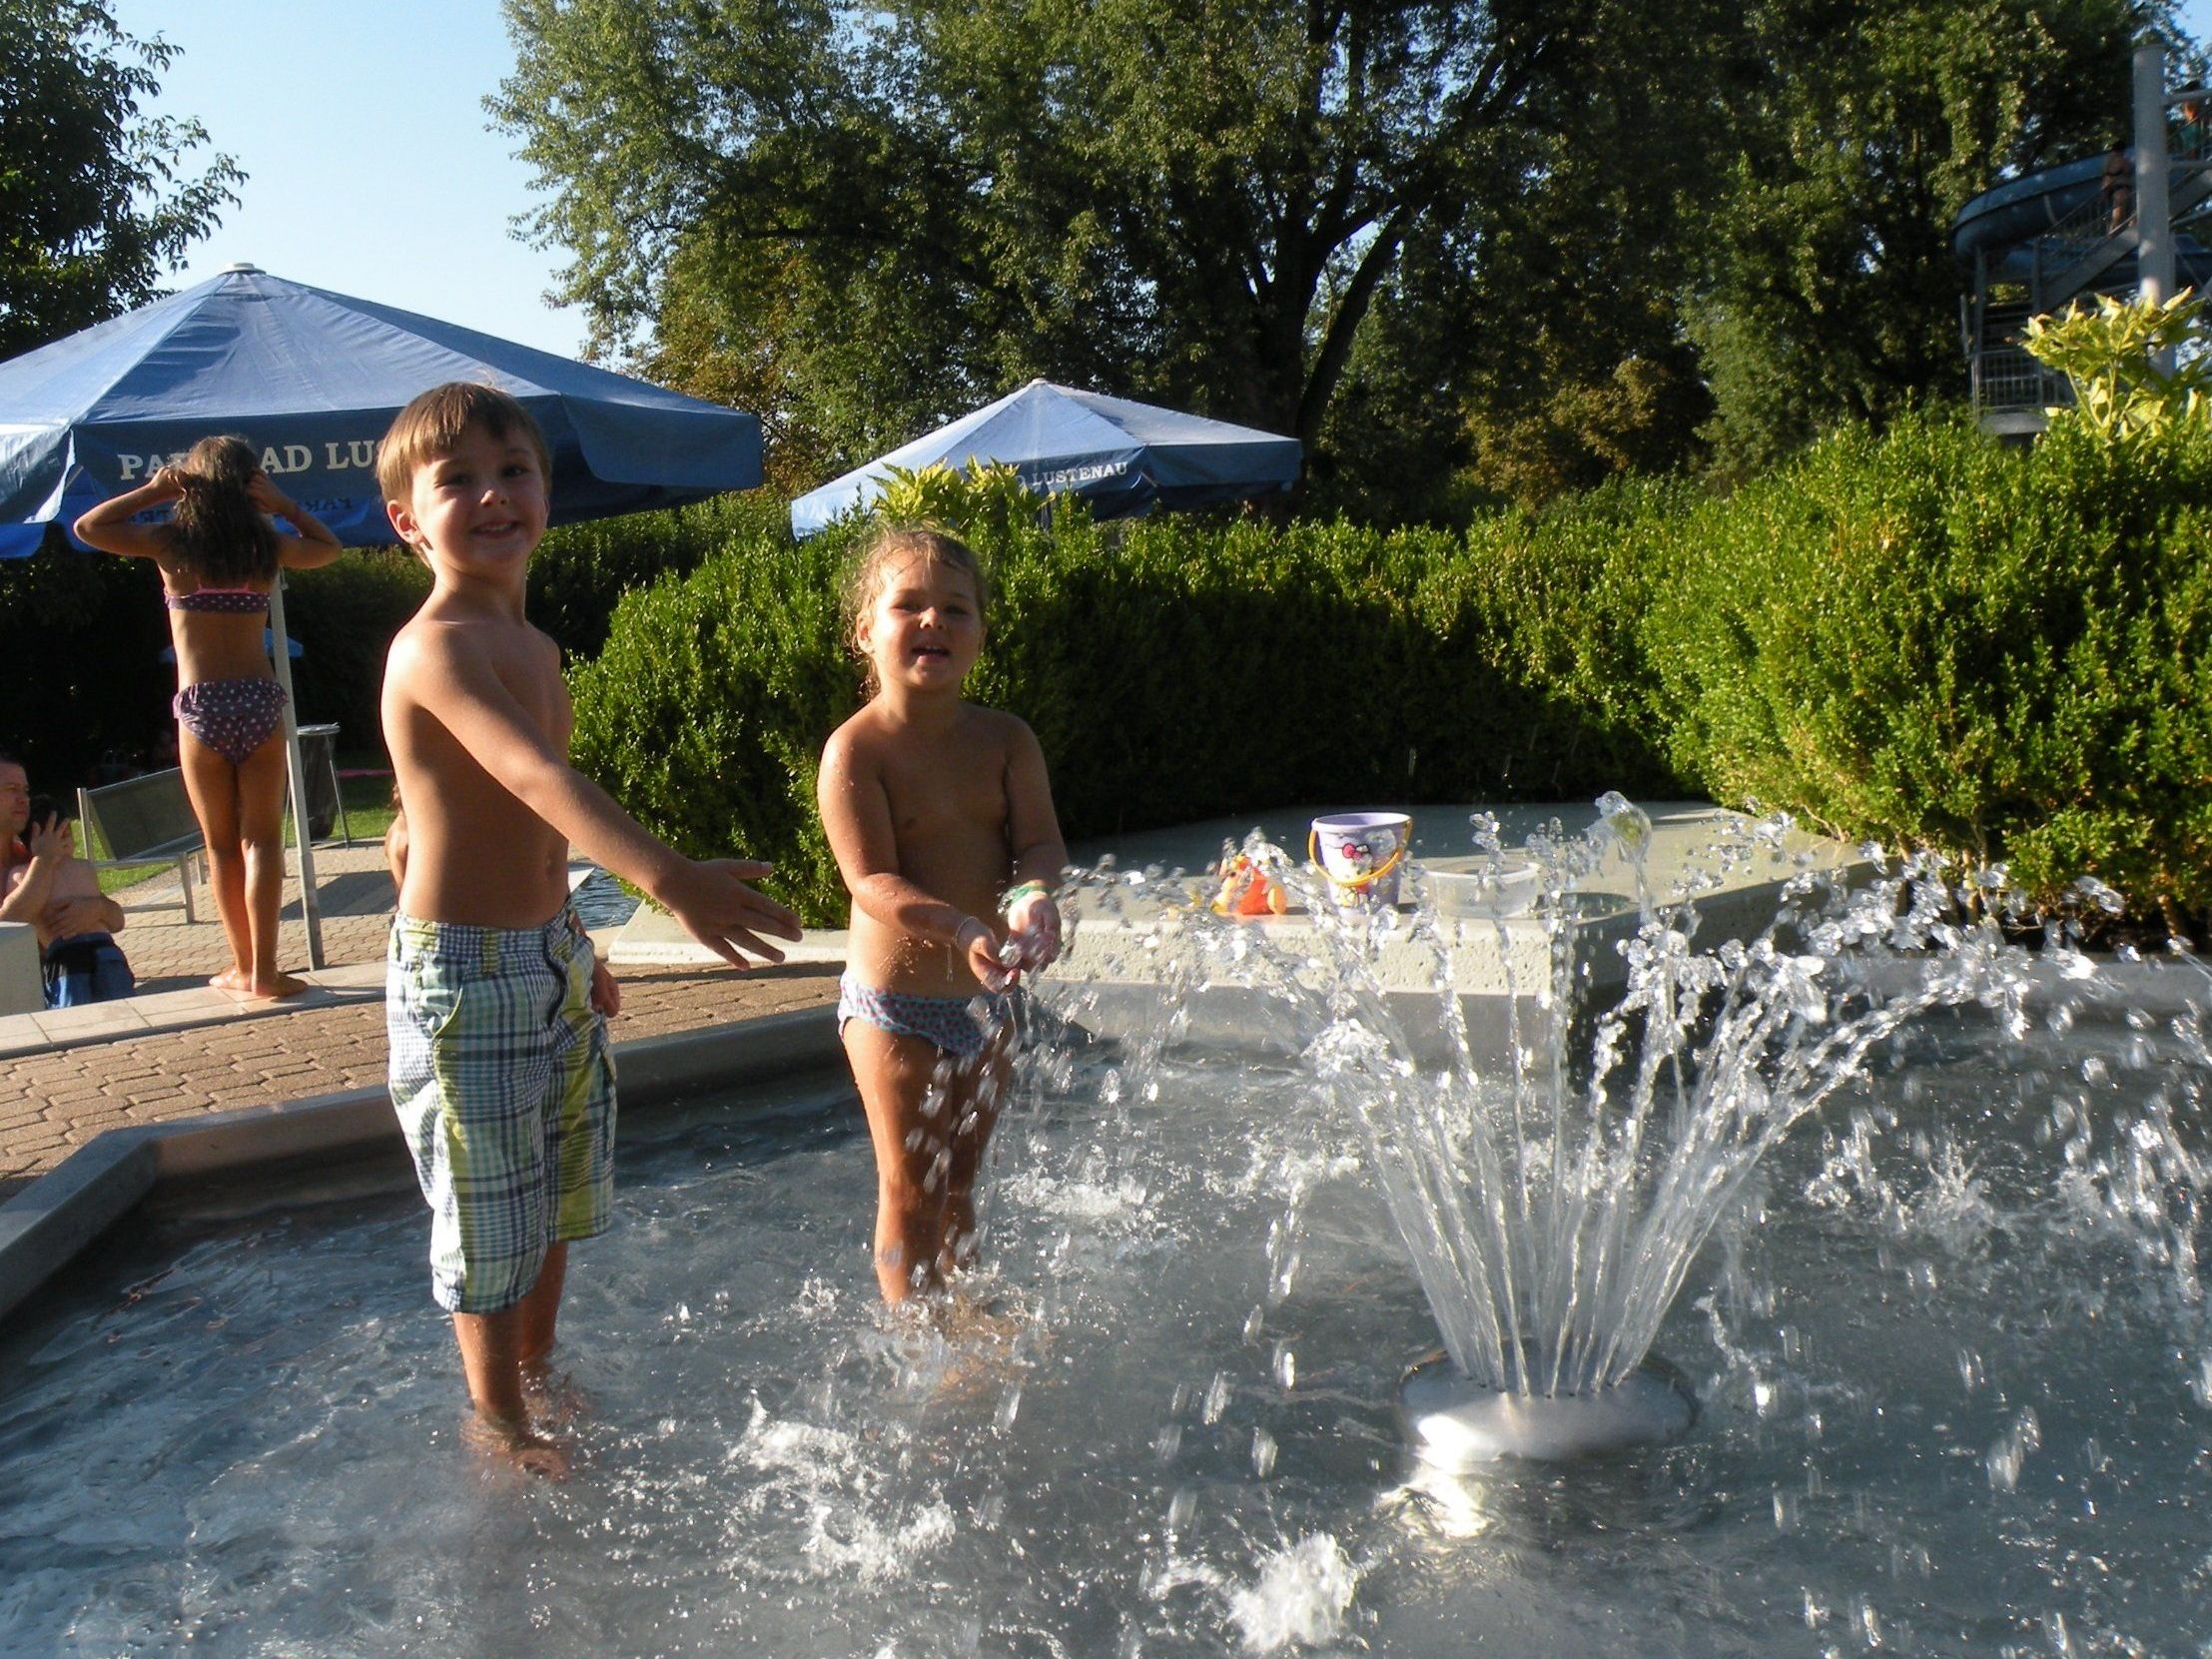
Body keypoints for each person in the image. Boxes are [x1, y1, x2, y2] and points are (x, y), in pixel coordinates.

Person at [374, 381, 803, 1473]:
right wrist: (670, 879)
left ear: (545, 492)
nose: (491, 495)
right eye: (456, 479)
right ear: (406, 520)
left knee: (559, 1190)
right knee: (489, 1209)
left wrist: (577, 936)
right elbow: (533, 777)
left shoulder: (537, 645)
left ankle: (536, 1365)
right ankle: (497, 1419)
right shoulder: (436, 648)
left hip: (546, 953)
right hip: (466, 973)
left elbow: (481, 827)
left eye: (511, 471)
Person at [816, 525, 1066, 1306]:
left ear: (981, 634)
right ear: (866, 631)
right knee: (909, 1184)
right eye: (909, 606)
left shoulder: (1005, 740)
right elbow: (871, 880)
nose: (934, 622)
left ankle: (964, 1317)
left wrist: (1032, 896)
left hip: (985, 1000)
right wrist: (959, 926)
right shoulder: (857, 751)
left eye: (956, 609)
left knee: (959, 1179)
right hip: (895, 1007)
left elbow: (1038, 842)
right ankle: (912, 1340)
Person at [73, 438, 344, 999]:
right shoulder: (264, 547)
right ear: (250, 486)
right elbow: (329, 547)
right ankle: (268, 972)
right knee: (264, 840)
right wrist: (285, 505)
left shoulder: (171, 544)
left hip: (202, 706)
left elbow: (88, 529)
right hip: (260, 701)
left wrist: (154, 489)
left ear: (190, 485)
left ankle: (242, 969)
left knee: (221, 846)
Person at [0, 754, 133, 1005]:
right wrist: (44, 861)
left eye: (25, 790)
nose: (23, 799)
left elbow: (116, 920)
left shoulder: (28, 855)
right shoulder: (40, 859)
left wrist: (96, 908)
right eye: (11, 789)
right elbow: (6, 930)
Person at [2103, 141, 2134, 234]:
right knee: (2119, 214)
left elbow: (2106, 174)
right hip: (2121, 187)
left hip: (2110, 187)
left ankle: (2113, 233)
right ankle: (2115, 234)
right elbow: (2126, 170)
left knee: (2115, 213)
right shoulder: (2120, 159)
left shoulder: (2107, 159)